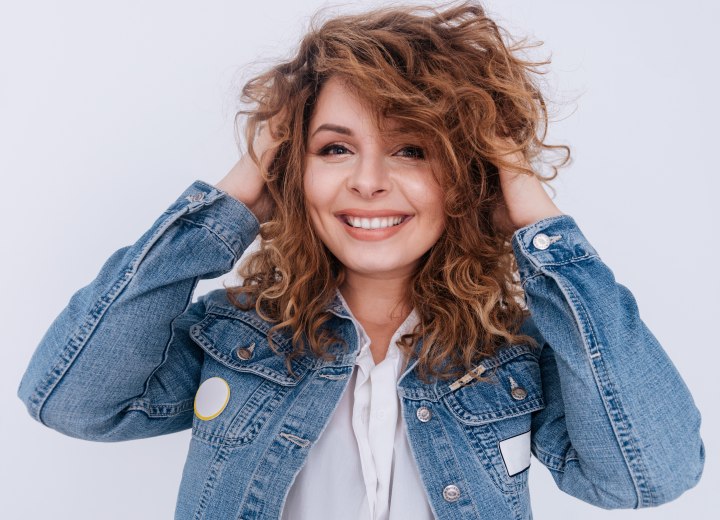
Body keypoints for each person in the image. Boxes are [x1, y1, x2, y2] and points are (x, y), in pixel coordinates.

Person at [17, 1, 704, 519]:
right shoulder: (228, 337)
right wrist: (228, 200)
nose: (368, 181)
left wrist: (538, 219)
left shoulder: (515, 354)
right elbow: (73, 404)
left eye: (412, 149)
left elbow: (649, 475)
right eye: (334, 148)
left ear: (468, 177)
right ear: (292, 170)